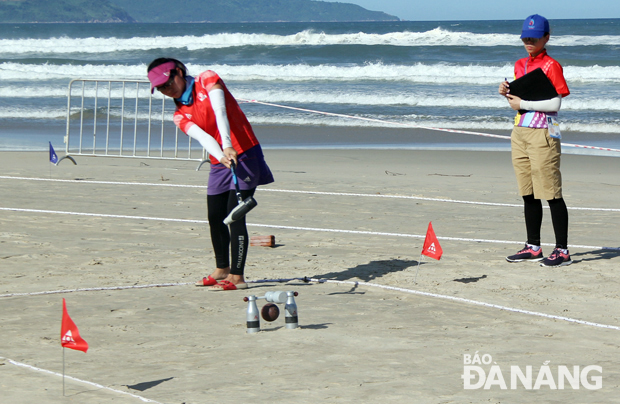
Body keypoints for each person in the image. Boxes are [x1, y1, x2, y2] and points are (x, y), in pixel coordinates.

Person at [147, 58, 274, 290]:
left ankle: (237, 276)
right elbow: (204, 138)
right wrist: (221, 154)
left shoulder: (207, 79)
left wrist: (228, 145)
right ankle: (222, 267)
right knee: (215, 215)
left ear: (180, 72)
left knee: (233, 214)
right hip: (220, 160)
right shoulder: (179, 114)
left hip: (244, 152)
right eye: (162, 88)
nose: (168, 89)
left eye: (169, 82)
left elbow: (220, 112)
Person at [498, 14, 572, 267]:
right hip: (520, 131)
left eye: (535, 37)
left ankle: (562, 251)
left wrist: (523, 103)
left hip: (543, 133)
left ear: (546, 37)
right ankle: (533, 246)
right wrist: (507, 94)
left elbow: (555, 103)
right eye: (526, 37)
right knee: (527, 192)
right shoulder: (519, 64)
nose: (529, 41)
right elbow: (518, 103)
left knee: (550, 192)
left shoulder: (552, 65)